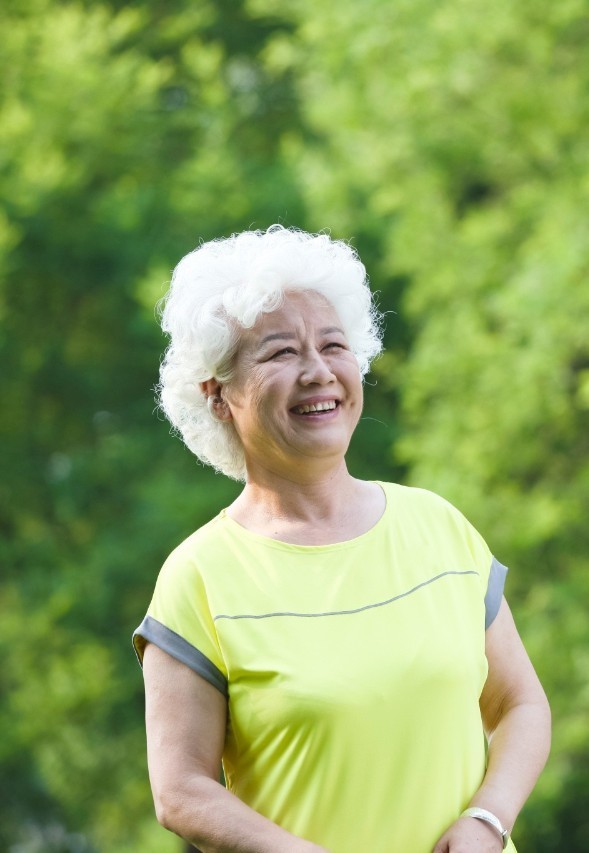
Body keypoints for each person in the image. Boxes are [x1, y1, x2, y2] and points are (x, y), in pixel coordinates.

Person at [134, 225, 550, 852]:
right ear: (219, 397)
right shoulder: (199, 575)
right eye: (280, 354)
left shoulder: (438, 526)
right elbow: (181, 790)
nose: (318, 372)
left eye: (333, 345)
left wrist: (488, 819)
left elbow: (521, 706)